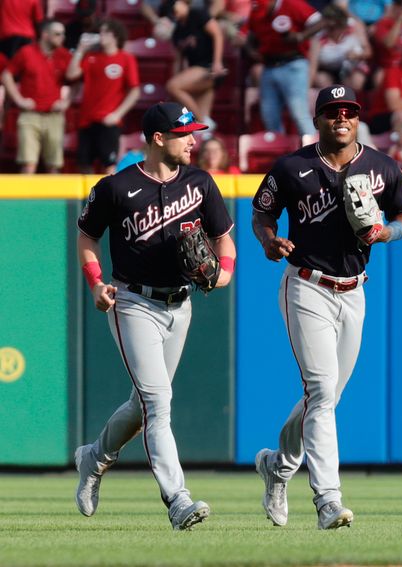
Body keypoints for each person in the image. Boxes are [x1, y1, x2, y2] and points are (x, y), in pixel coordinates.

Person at [251, 84, 402, 530]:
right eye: (332, 111)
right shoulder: (292, 166)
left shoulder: (381, 166)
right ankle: (328, 500)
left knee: (325, 397)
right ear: (318, 119)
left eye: (349, 111)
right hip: (307, 285)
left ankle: (278, 467)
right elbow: (262, 213)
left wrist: (388, 234)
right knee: (322, 392)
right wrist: (269, 241)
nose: (341, 118)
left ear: (357, 118)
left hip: (355, 289)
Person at [74, 102, 236, 531]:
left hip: (180, 305)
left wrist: (223, 276)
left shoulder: (201, 183)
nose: (194, 140)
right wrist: (95, 283)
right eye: (185, 134)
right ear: (159, 138)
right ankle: (177, 499)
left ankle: (94, 458)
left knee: (142, 403)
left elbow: (225, 242)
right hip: (133, 303)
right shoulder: (116, 187)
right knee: (158, 403)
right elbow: (87, 238)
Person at [66, 18, 141, 174]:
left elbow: (135, 91)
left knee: (109, 166)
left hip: (109, 122)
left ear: (115, 35)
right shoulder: (91, 57)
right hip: (86, 120)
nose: (101, 35)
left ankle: (108, 198)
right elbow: (71, 74)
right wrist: (80, 50)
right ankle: (89, 198)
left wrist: (117, 114)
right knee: (83, 164)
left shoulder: (126, 58)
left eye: (105, 31)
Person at [0, 19, 71, 174]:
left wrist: (67, 101)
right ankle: (22, 199)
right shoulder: (27, 52)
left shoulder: (64, 55)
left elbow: (77, 79)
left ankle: (55, 199)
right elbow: (6, 75)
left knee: (54, 166)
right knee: (28, 164)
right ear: (45, 35)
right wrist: (19, 100)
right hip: (29, 116)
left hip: (54, 116)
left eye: (63, 34)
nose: (62, 38)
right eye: (58, 34)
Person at [248, 0, 325, 138]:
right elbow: (251, 35)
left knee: (299, 112)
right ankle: (278, 154)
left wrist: (301, 36)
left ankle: (314, 150)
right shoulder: (256, 11)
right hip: (269, 66)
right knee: (269, 115)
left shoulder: (291, 4)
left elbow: (321, 21)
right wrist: (251, 49)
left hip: (294, 64)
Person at [166, 0, 227, 130]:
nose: (172, 10)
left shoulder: (197, 14)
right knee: (202, 128)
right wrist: (178, 76)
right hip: (196, 70)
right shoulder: (178, 30)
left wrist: (217, 62)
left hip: (209, 66)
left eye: (175, 5)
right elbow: (178, 59)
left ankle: (202, 121)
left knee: (172, 86)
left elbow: (217, 34)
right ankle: (204, 123)